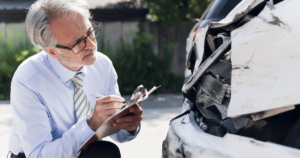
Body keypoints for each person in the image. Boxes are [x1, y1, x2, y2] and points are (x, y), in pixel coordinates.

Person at [8, 0, 143, 157]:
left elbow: (116, 132)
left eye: (90, 32)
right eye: (78, 42)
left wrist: (128, 125)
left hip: (89, 152)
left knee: (106, 152)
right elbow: (38, 154)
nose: (92, 45)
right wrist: (91, 124)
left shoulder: (102, 65)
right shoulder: (28, 80)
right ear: (52, 51)